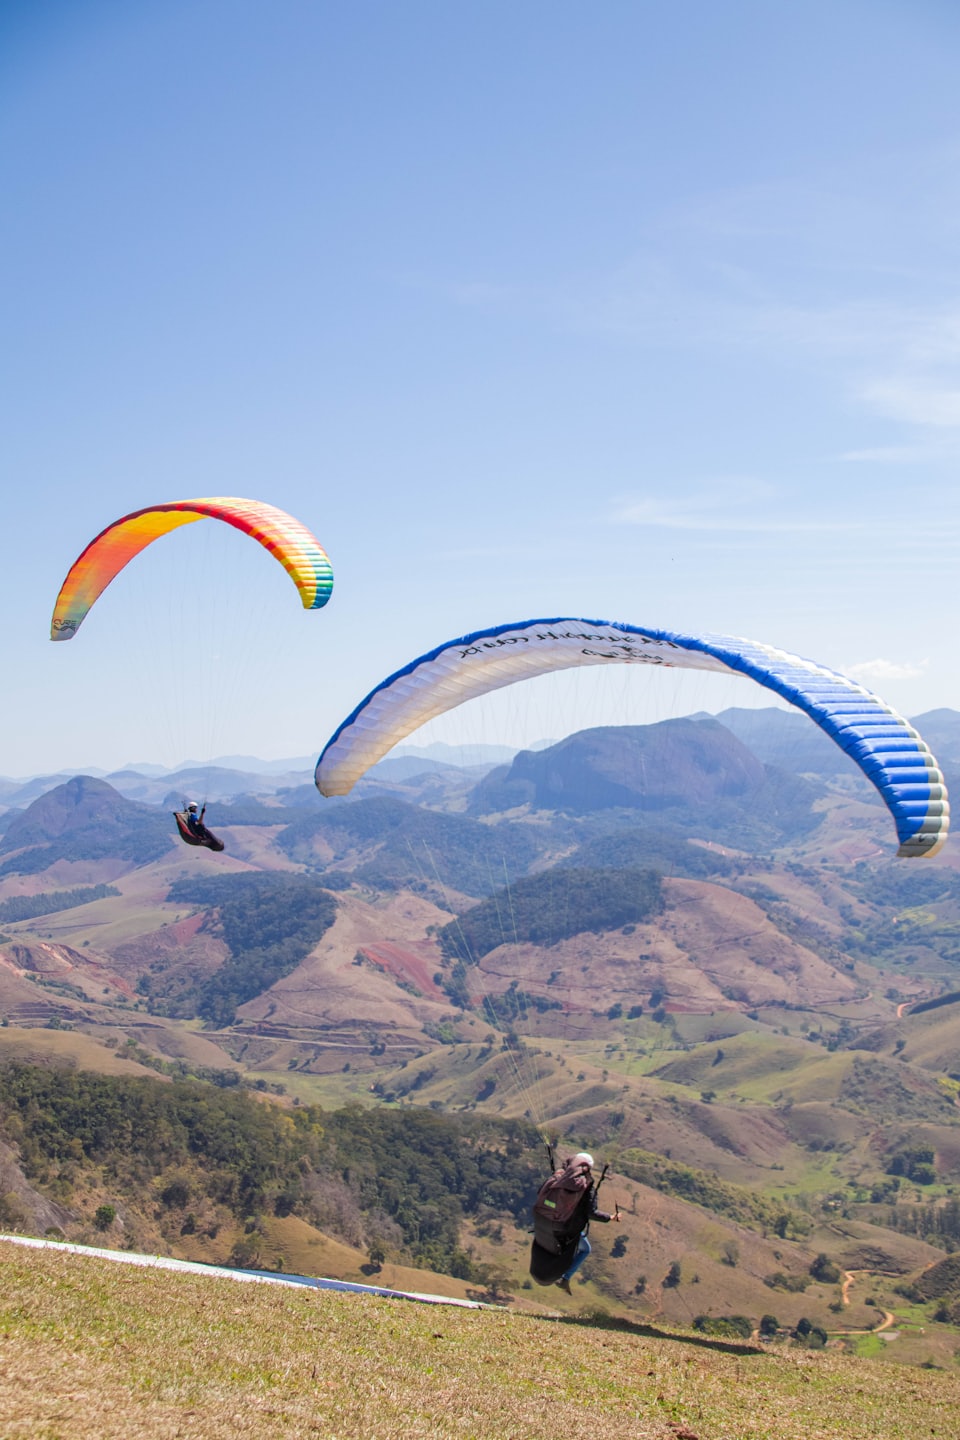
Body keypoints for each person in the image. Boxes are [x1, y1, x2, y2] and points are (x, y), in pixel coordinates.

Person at [530, 1151, 619, 1293]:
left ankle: (562, 1277)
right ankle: (565, 1278)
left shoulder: (558, 1176)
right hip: (564, 1227)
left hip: (541, 1220)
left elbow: (540, 1193)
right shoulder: (585, 1185)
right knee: (586, 1249)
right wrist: (611, 1217)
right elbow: (591, 1213)